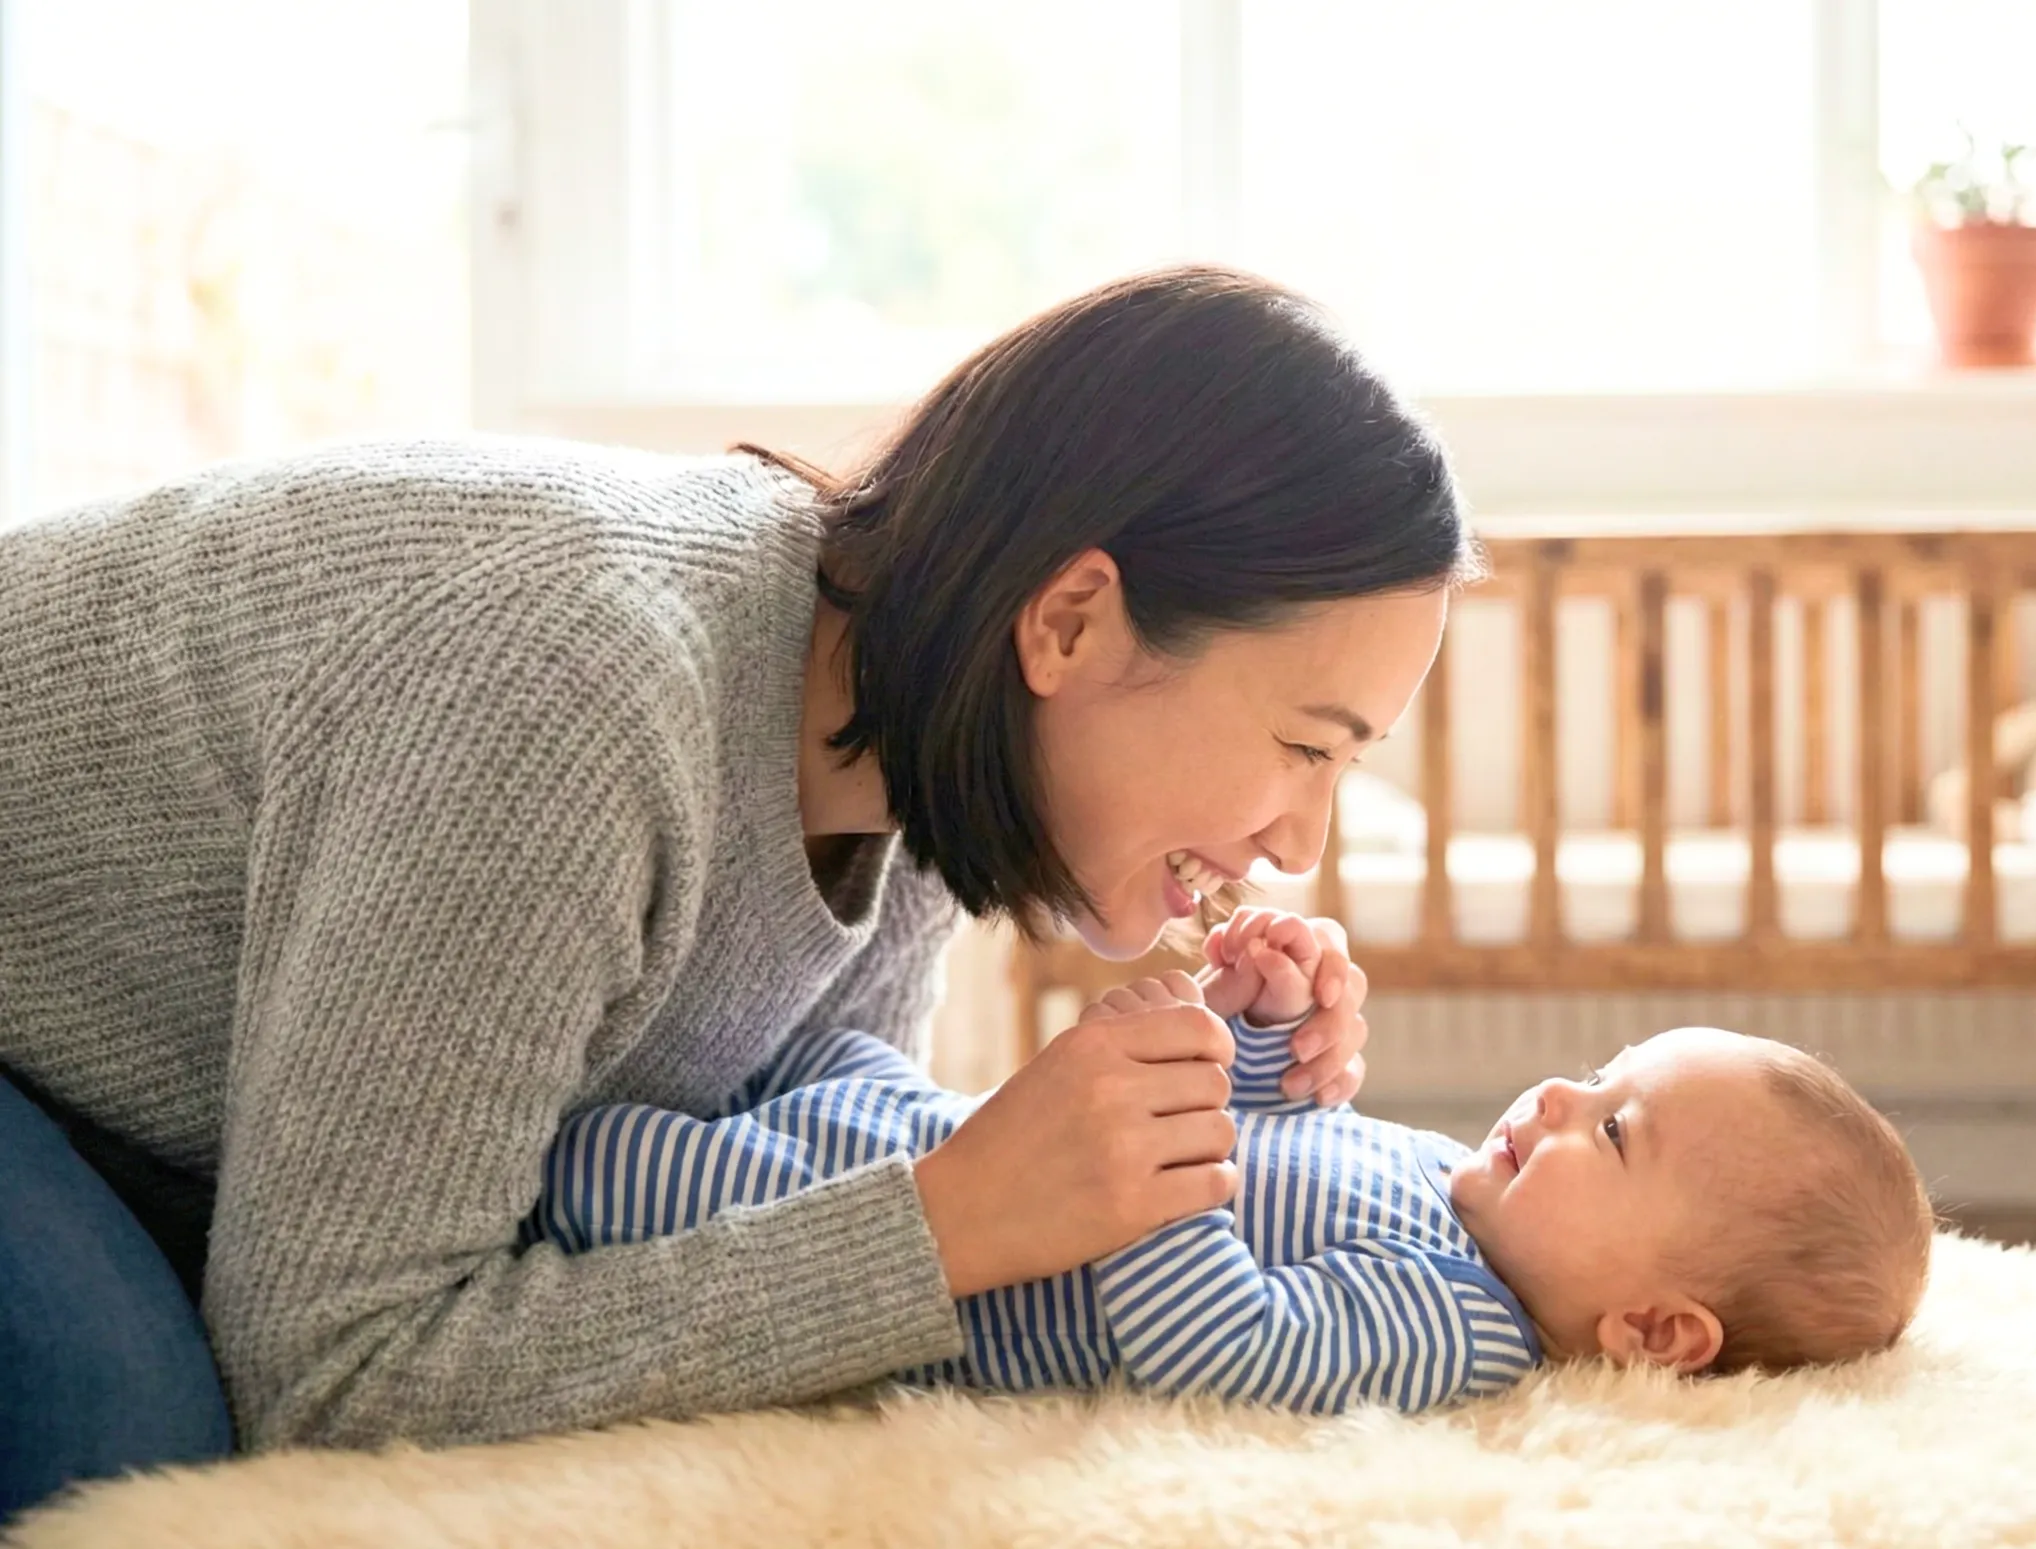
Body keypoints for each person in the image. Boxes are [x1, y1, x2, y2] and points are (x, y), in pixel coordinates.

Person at [0, 265, 1476, 1515]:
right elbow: (336, 1366)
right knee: (115, 1423)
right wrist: (944, 1224)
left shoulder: (922, 764)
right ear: (1072, 621)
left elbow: (749, 1197)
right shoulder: (572, 691)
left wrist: (1211, 1105)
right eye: (1303, 747)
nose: (1300, 845)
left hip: (170, 1090)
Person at [534, 907, 1937, 1409]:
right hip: (914, 1122)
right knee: (777, 1054)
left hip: (889, 1246)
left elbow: (1220, 1344)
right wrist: (1256, 1034)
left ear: (1649, 1328)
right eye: (1602, 1072)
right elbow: (1280, 1143)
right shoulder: (1458, 1184)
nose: (1562, 1091)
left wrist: (1162, 1138)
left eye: (1614, 1129)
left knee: (594, 1164)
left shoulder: (1458, 1331)